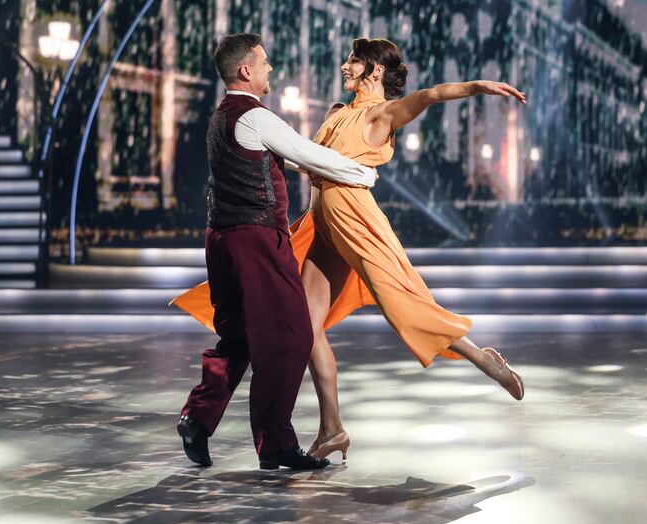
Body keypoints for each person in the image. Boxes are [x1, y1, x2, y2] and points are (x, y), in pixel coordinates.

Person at [174, 37, 526, 463]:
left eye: (354, 60)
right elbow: (305, 156)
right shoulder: (336, 114)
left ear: (374, 71)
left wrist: (477, 87)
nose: (344, 65)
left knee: (402, 304)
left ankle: (481, 357)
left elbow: (430, 96)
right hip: (322, 220)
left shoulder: (382, 114)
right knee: (305, 328)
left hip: (355, 218)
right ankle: (332, 427)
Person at [174, 33, 378, 471]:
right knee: (291, 335)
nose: (270, 69)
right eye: (264, 63)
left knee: (239, 336)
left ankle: (197, 416)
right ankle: (276, 444)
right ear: (246, 70)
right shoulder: (254, 117)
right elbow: (307, 154)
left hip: (220, 238)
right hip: (257, 239)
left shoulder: (219, 118)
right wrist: (362, 174)